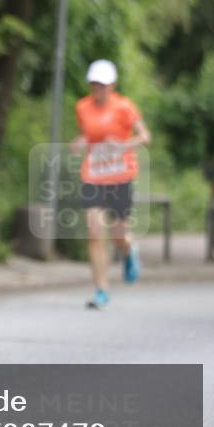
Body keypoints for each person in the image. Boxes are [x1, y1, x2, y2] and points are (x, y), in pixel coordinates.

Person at [70, 59, 151, 310]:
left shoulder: (124, 107)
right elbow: (91, 134)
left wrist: (123, 145)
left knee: (118, 236)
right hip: (93, 175)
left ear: (112, 85)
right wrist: (81, 142)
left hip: (120, 175)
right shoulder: (83, 107)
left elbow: (145, 137)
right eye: (94, 84)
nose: (98, 89)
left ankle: (128, 251)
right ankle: (101, 290)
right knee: (94, 233)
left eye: (103, 84)